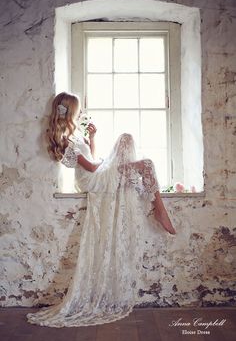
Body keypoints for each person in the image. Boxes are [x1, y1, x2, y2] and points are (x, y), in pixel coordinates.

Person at [26, 91, 176, 328]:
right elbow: (93, 169)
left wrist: (92, 139)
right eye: (76, 108)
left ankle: (157, 205)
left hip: (96, 175)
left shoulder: (73, 135)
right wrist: (110, 163)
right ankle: (159, 208)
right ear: (69, 110)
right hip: (93, 180)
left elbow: (91, 159)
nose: (79, 112)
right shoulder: (64, 139)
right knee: (140, 158)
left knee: (141, 162)